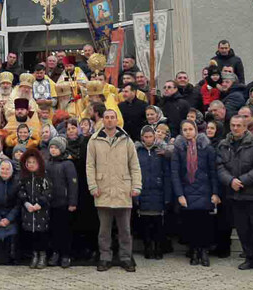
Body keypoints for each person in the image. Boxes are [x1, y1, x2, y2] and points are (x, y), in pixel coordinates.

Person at [86, 109, 142, 272]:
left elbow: (134, 165)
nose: (110, 120)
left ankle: (125, 257)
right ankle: (105, 257)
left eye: (112, 118)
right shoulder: (94, 141)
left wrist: (136, 186)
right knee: (104, 230)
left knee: (125, 229)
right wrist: (93, 186)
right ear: (102, 120)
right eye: (107, 118)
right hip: (103, 190)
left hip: (123, 190)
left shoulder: (126, 140)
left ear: (117, 120)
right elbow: (90, 166)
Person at [216, 115, 253, 275]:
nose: (235, 128)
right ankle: (250, 258)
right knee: (243, 230)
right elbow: (219, 167)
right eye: (233, 125)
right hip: (235, 195)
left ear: (245, 127)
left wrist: (241, 181)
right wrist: (230, 181)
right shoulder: (223, 145)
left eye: (238, 125)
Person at [171, 120, 220, 267]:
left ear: (196, 130)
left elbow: (213, 171)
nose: (187, 132)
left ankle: (204, 251)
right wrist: (179, 194)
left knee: (204, 223)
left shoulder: (207, 148)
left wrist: (215, 192)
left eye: (190, 129)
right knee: (190, 223)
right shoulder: (178, 149)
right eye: (184, 129)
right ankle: (193, 251)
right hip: (187, 191)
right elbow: (175, 173)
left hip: (204, 191)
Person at [135, 125, 171, 260]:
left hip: (158, 191)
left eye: (151, 136)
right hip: (143, 190)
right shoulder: (137, 152)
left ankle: (158, 247)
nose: (149, 139)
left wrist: (167, 195)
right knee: (145, 224)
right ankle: (147, 247)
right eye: (146, 137)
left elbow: (167, 174)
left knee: (157, 223)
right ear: (142, 138)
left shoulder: (161, 152)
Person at [46, 136, 77, 268]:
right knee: (53, 230)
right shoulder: (48, 163)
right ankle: (55, 253)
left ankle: (65, 255)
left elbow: (73, 184)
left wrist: (72, 202)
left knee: (65, 230)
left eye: (56, 148)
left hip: (64, 203)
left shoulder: (68, 164)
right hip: (50, 203)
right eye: (51, 147)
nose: (53, 150)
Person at [18, 149, 52, 269]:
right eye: (29, 162)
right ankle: (34, 255)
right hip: (28, 212)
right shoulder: (24, 177)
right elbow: (21, 192)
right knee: (31, 235)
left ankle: (42, 256)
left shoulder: (44, 177)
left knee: (41, 235)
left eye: (34, 162)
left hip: (41, 212)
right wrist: (26, 203)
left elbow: (48, 192)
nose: (31, 164)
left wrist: (40, 204)